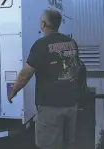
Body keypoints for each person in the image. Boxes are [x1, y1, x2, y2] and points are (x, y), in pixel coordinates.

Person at [8, 9, 81, 149]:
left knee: (49, 145)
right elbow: (76, 68)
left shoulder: (41, 45)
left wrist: (13, 91)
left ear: (43, 24)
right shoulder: (71, 42)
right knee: (68, 144)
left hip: (51, 107)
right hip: (71, 103)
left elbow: (25, 74)